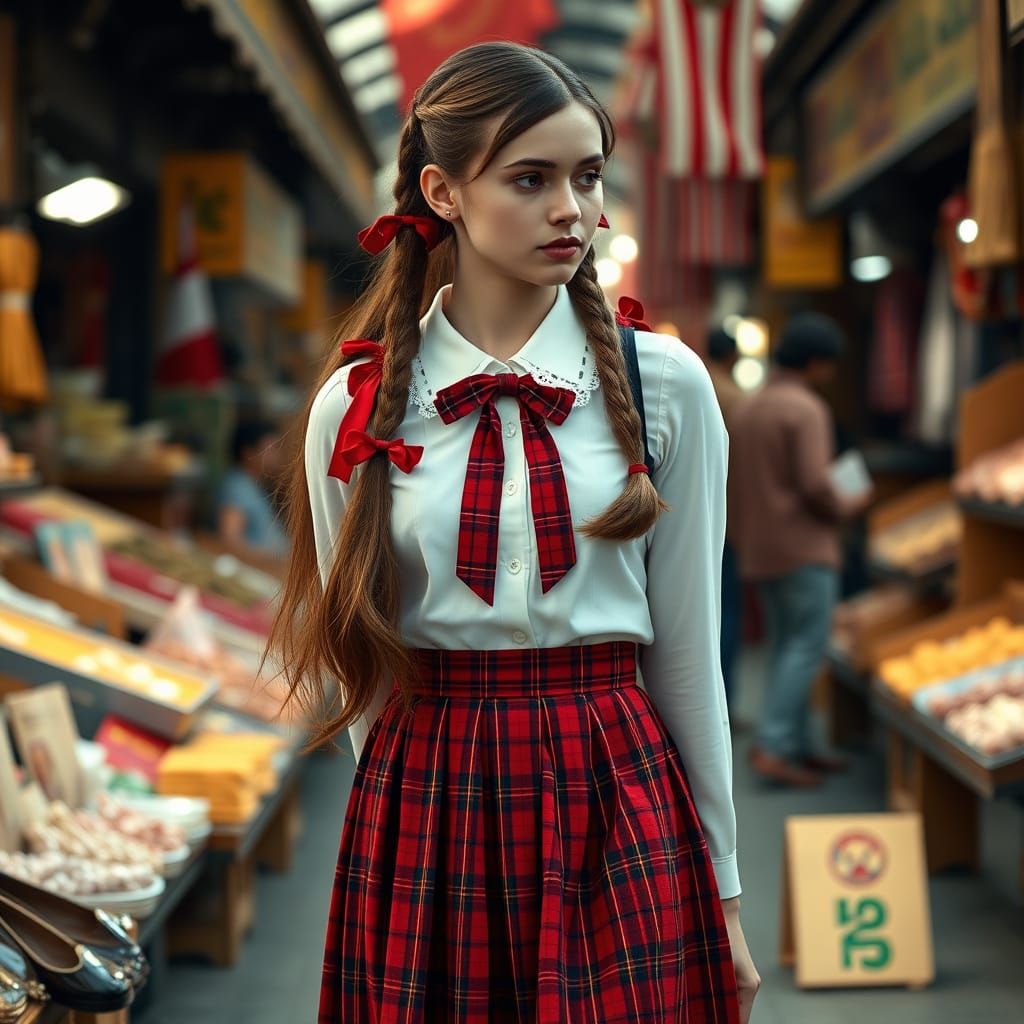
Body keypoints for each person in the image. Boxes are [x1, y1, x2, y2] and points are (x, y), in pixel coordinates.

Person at [270, 42, 758, 1023]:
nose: (571, 209)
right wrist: (400, 829)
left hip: (615, 782)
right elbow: (363, 665)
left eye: (587, 176)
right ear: (443, 192)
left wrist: (725, 889)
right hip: (428, 790)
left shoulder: (666, 385)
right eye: (530, 179)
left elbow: (688, 654)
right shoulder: (355, 406)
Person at [730, 312, 870, 788]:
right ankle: (774, 746)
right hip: (805, 546)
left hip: (759, 548)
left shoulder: (750, 407)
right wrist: (852, 502)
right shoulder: (806, 409)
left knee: (784, 647)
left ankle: (799, 744)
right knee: (806, 647)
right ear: (817, 362)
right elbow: (816, 484)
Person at [707, 326, 744, 718]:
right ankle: (723, 704)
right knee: (724, 613)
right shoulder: (733, 396)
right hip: (727, 516)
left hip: (692, 511)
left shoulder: (698, 382)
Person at [216, 420, 290, 569]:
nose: (277, 455)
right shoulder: (237, 487)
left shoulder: (253, 485)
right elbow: (231, 542)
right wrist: (274, 561)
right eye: (272, 449)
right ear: (248, 453)